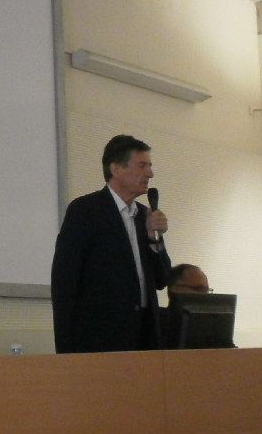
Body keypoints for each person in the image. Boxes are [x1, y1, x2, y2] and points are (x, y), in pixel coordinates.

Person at [51, 135, 172, 353]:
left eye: (150, 166)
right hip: (100, 341)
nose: (150, 173)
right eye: (142, 165)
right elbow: (65, 282)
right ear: (115, 169)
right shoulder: (85, 211)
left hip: (145, 338)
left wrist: (155, 238)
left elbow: (162, 280)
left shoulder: (144, 216)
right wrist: (65, 350)